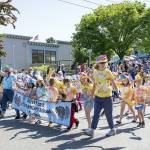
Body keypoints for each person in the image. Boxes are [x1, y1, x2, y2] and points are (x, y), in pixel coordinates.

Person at [85, 55, 118, 137]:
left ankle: (112, 129)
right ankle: (92, 130)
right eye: (101, 63)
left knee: (108, 114)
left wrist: (117, 91)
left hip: (107, 97)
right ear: (98, 63)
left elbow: (113, 83)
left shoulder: (108, 72)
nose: (103, 64)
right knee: (96, 114)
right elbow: (95, 84)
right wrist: (92, 94)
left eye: (104, 62)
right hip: (98, 97)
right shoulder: (95, 71)